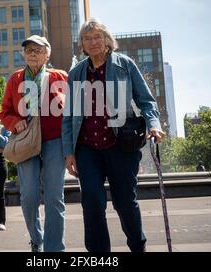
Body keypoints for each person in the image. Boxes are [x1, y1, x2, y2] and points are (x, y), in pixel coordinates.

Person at [62, 18, 165, 252]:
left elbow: (146, 101)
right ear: (82, 45)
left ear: (107, 40)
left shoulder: (124, 65)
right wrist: (68, 152)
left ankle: (138, 246)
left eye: (97, 36)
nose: (93, 42)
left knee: (125, 202)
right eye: (87, 39)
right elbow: (68, 116)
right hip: (87, 147)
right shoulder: (77, 73)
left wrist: (153, 124)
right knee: (92, 201)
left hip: (121, 145)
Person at [0, 35, 68, 252]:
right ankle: (37, 239)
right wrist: (14, 122)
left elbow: (72, 110)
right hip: (27, 141)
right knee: (29, 196)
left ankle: (54, 248)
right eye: (28, 50)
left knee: (54, 197)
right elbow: (5, 111)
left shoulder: (61, 77)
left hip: (55, 141)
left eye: (37, 50)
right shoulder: (15, 79)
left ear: (47, 54)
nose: (32, 53)